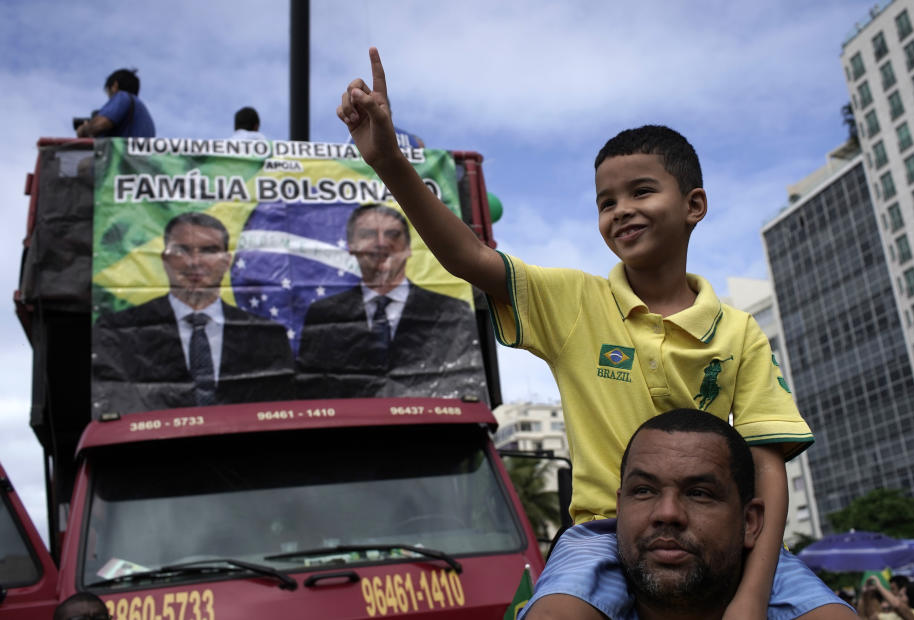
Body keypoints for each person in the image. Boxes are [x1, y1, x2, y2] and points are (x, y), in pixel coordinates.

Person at [336, 47, 839, 619]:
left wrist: (750, 597)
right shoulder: (574, 301)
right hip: (602, 533)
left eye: (641, 192)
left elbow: (767, 464)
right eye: (606, 202)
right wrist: (389, 163)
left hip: (717, 537)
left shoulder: (740, 332)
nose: (621, 210)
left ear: (694, 204)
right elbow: (468, 256)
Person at [524, 410, 853, 619]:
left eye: (699, 493)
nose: (667, 513)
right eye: (644, 491)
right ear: (619, 509)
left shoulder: (797, 599)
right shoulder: (579, 577)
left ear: (750, 522)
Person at [94, 212, 294, 411]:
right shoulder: (117, 331)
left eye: (209, 250)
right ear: (165, 260)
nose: (195, 262)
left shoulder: (268, 335)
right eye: (182, 251)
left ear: (226, 261)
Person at [297, 203, 483, 399]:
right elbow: (310, 388)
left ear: (409, 248)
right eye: (368, 234)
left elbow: (466, 384)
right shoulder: (322, 313)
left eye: (393, 235)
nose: (382, 243)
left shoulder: (452, 311)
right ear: (351, 246)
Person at [75, 68, 155, 138]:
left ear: (114, 86)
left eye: (108, 94)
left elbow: (100, 124)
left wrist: (83, 129)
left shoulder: (122, 96)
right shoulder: (145, 118)